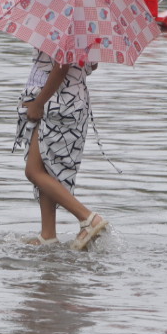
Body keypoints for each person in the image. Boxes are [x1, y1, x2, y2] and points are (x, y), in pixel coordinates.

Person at [14, 50, 110, 250]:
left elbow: (62, 65)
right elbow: (92, 65)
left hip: (56, 102)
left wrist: (38, 103)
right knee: (47, 168)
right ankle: (47, 234)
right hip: (72, 99)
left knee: (33, 171)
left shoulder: (64, 32)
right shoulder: (87, 34)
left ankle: (88, 218)